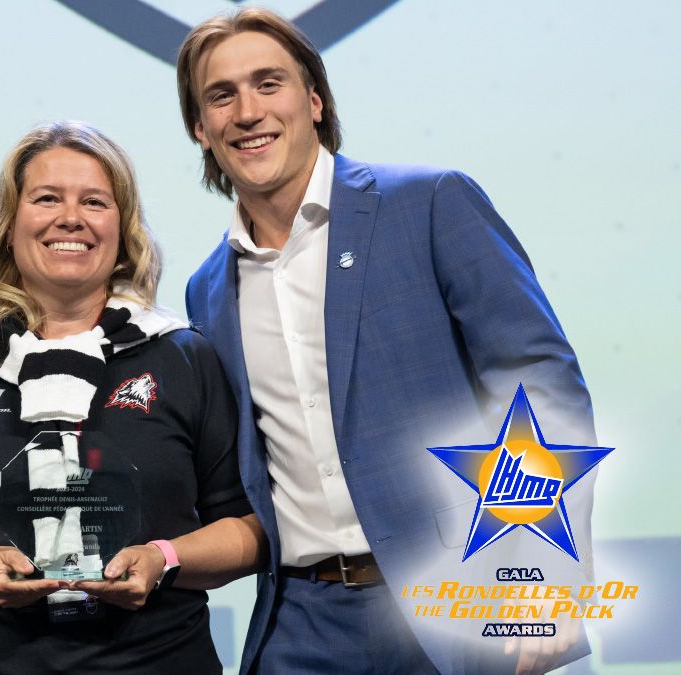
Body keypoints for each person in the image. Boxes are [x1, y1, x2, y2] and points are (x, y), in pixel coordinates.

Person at [176, 9, 596, 675]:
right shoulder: (207, 289)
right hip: (301, 626)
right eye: (221, 95)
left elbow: (537, 382)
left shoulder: (428, 203)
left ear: (315, 101)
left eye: (269, 84)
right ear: (200, 127)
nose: (248, 112)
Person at [0, 121, 265, 674]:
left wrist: (164, 558)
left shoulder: (184, 357)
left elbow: (250, 529)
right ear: (8, 226)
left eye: (95, 202)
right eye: (46, 198)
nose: (71, 218)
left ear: (122, 230)